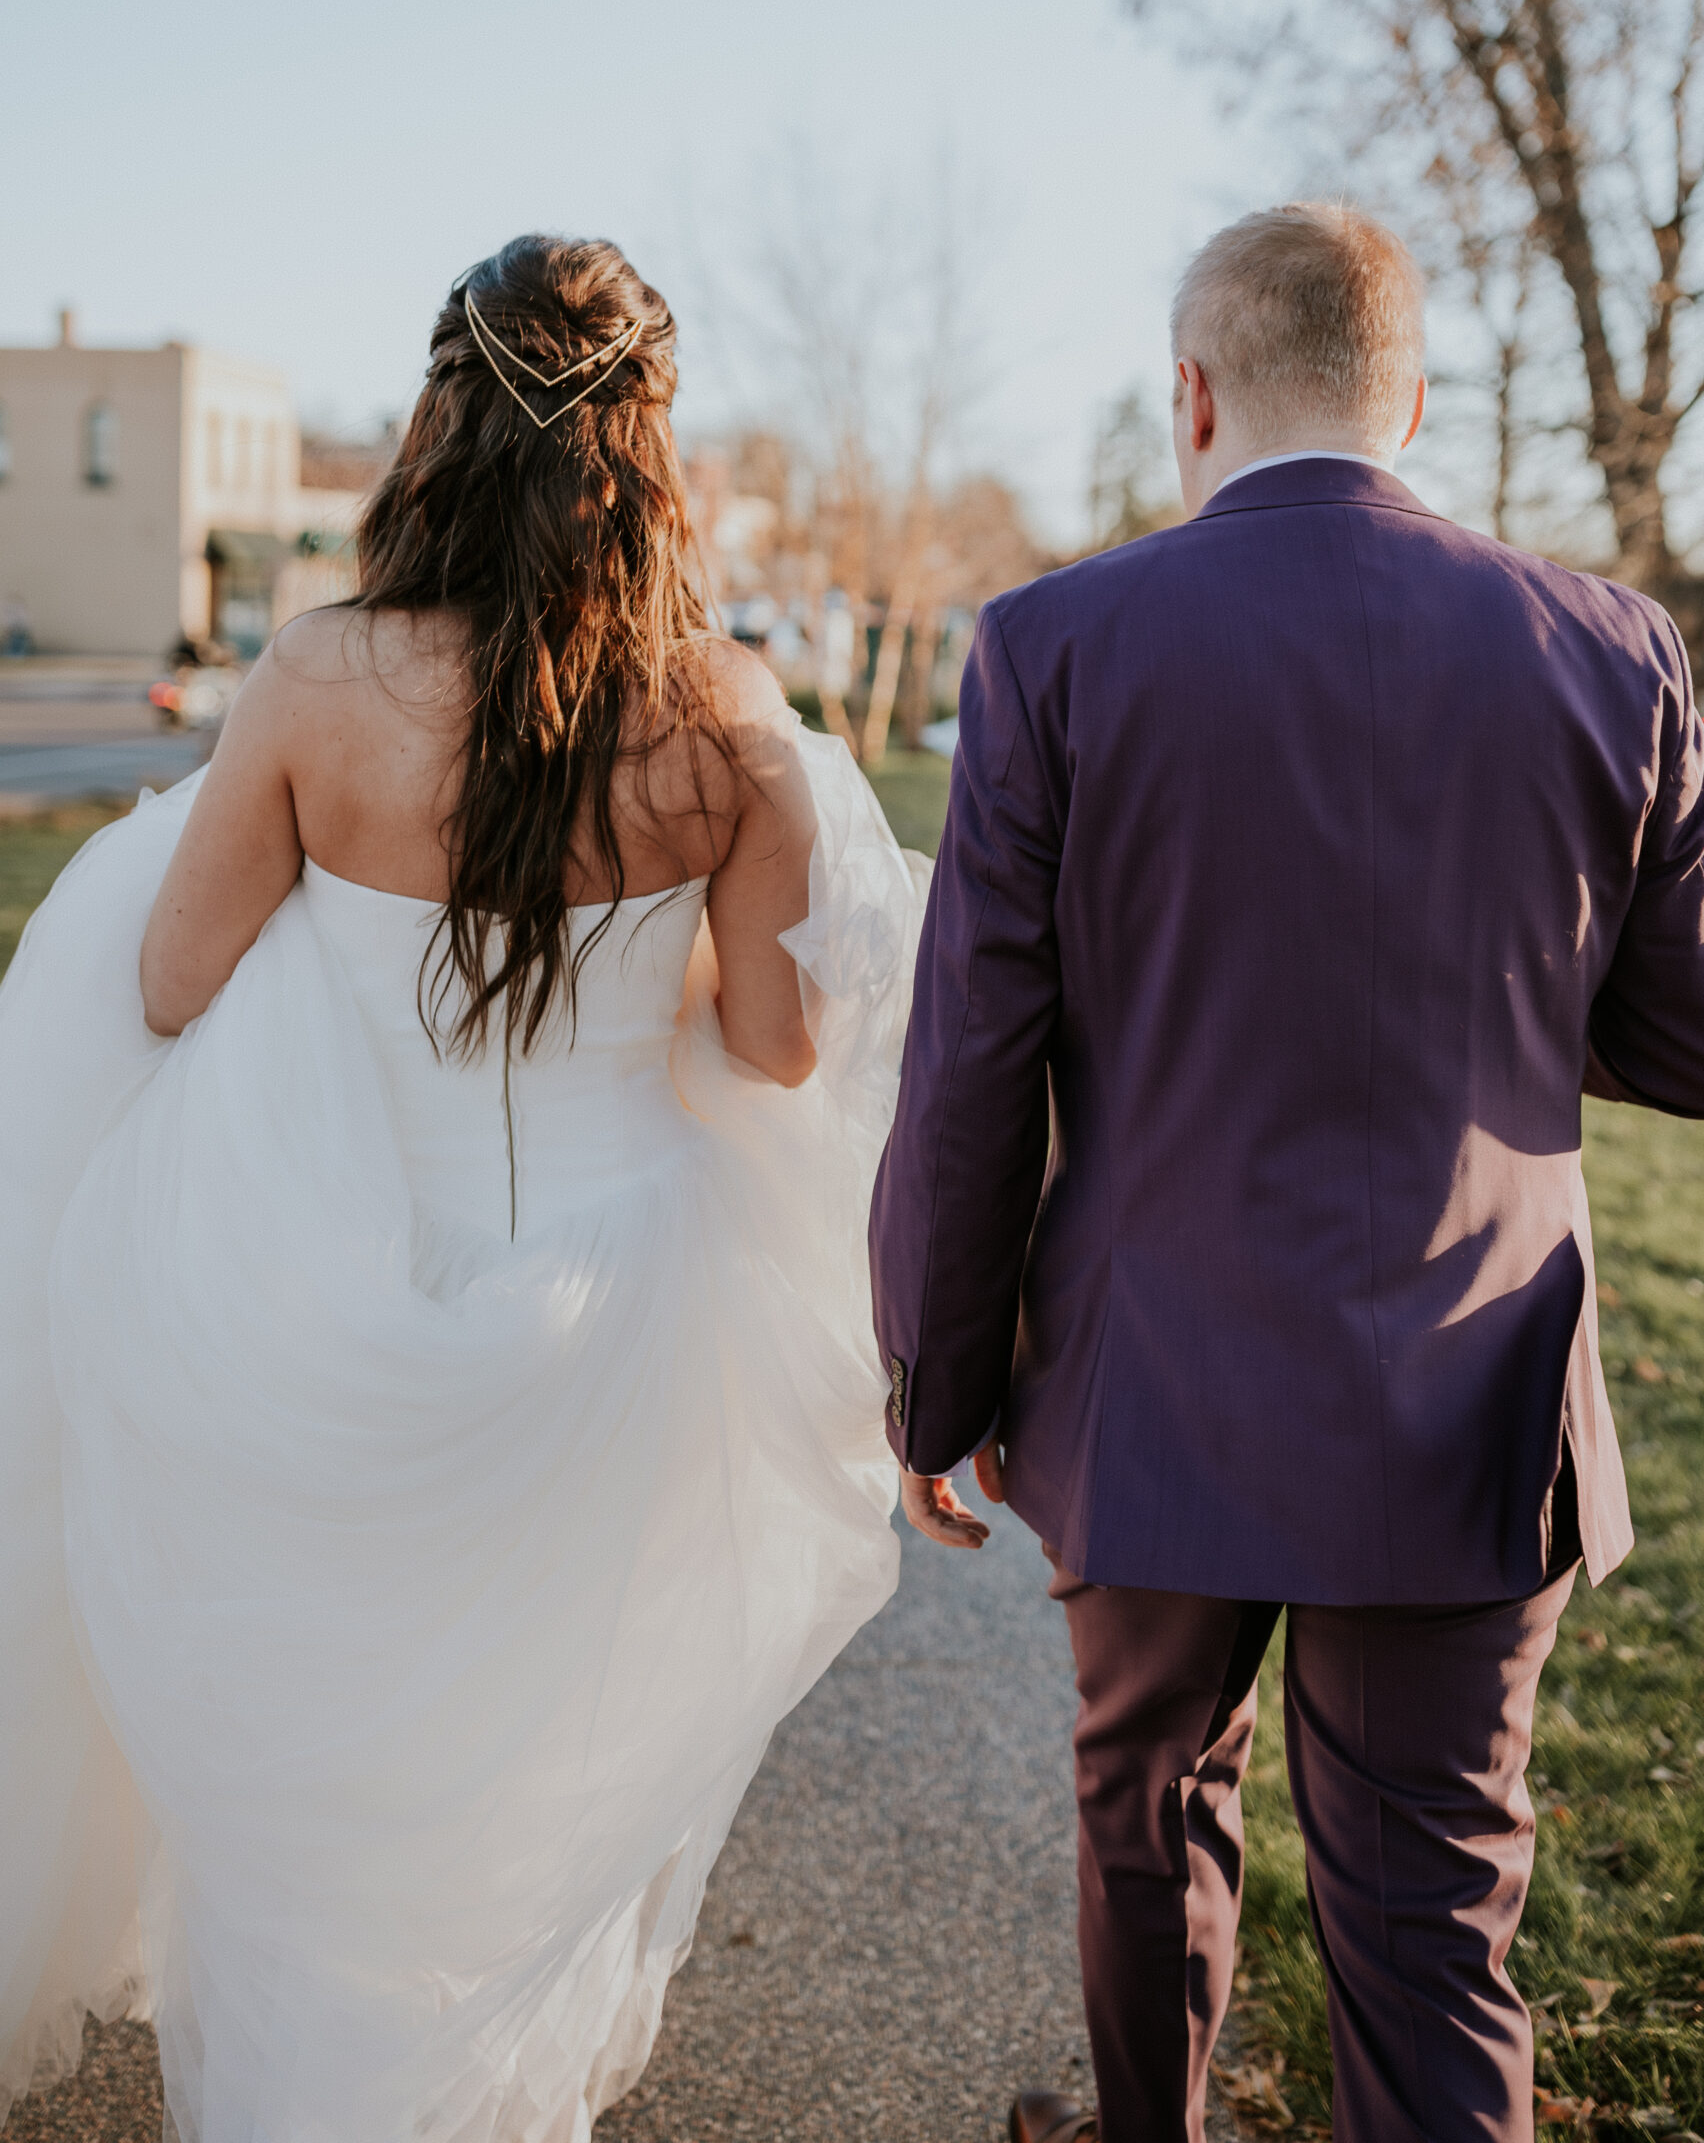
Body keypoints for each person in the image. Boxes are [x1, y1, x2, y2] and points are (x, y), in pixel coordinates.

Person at [0, 236, 921, 2143]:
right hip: (615, 1317)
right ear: (658, 443)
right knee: (525, 1767)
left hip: (309, 1292)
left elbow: (171, 984)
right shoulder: (725, 711)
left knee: (310, 1767)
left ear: (439, 418)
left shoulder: (323, 676)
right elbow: (773, 1047)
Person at [870, 204, 1704, 2143]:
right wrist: (1492, 971)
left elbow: (975, 1056)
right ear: (1412, 398)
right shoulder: (1612, 649)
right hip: (1474, 1389)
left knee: (1148, 1808)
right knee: (1432, 1908)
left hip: (1152, 1377)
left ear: (1191, 395)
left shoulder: (1056, 643)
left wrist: (938, 1375)